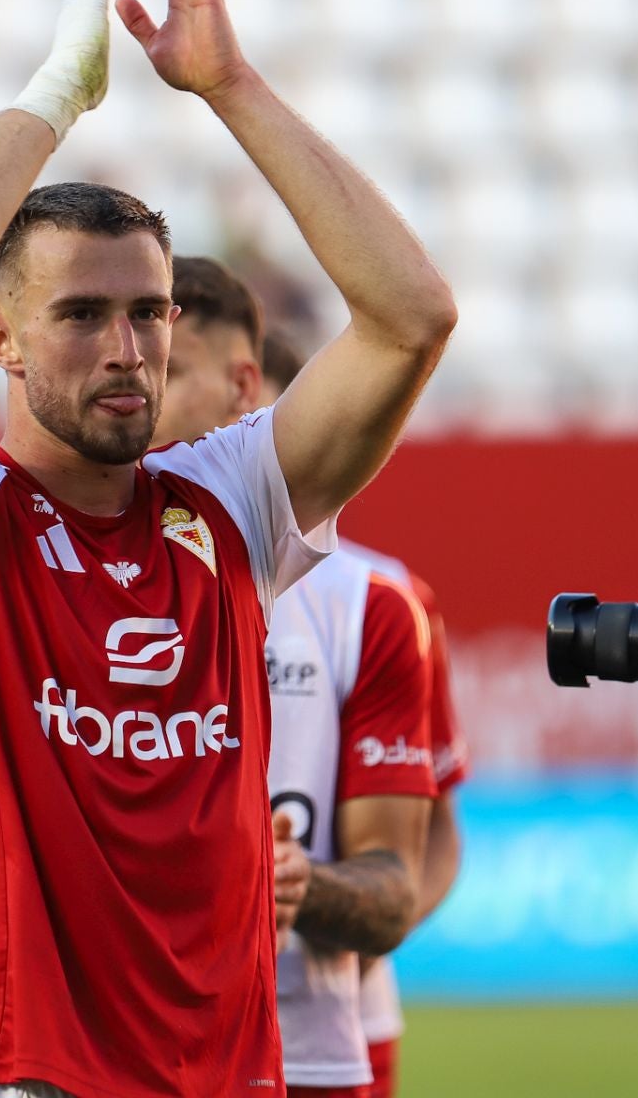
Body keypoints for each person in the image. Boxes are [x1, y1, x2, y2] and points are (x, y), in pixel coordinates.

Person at [0, 0, 456, 1098]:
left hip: (229, 1074)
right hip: (19, 1074)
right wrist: (60, 93)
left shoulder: (223, 503)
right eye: (78, 313)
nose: (127, 349)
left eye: (147, 311)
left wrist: (229, 85)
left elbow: (413, 316)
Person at [153, 267, 466, 1098]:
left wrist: (344, 915)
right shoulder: (57, 555)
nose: (143, 388)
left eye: (173, 368)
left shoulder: (374, 602)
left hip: (317, 1029)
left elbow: (424, 845)